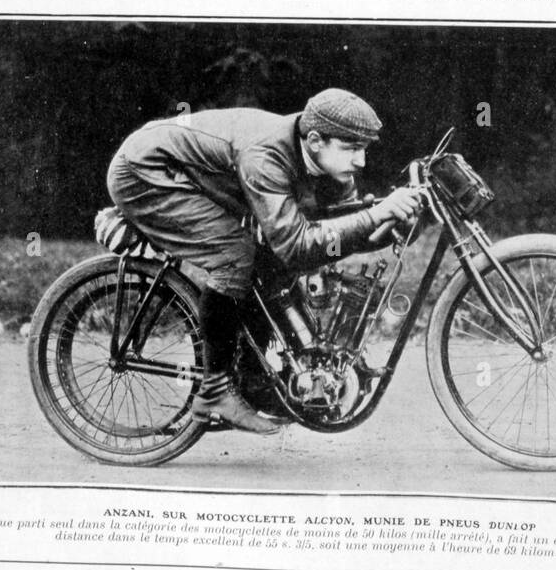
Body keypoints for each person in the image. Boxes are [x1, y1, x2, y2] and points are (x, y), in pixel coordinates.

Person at [106, 88, 423, 433]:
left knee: (267, 261)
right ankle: (214, 391)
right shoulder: (267, 156)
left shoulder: (330, 168)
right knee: (235, 257)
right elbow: (297, 245)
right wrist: (375, 215)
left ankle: (252, 381)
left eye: (363, 149)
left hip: (198, 175)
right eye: (351, 148)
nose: (361, 161)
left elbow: (333, 238)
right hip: (147, 172)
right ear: (315, 140)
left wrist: (394, 225)